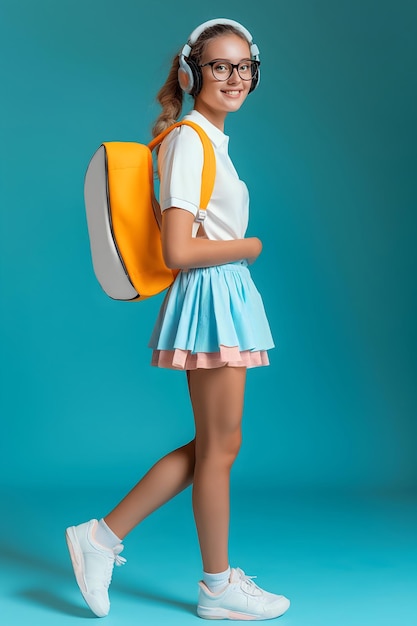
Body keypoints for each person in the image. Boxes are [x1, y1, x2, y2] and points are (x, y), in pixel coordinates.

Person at [66, 18, 290, 621]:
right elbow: (178, 251)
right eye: (220, 65)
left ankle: (101, 538)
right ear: (193, 73)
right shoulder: (190, 140)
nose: (234, 77)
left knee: (219, 444)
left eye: (243, 66)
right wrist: (249, 247)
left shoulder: (209, 138)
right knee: (220, 448)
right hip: (213, 294)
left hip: (222, 296)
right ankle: (214, 586)